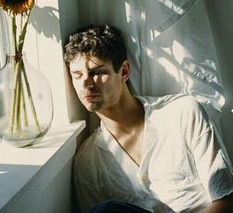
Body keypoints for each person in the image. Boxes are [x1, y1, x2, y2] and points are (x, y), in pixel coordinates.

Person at [64, 24, 233, 213]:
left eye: (97, 72)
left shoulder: (183, 114)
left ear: (125, 71)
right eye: (77, 75)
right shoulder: (87, 162)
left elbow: (225, 200)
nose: (86, 83)